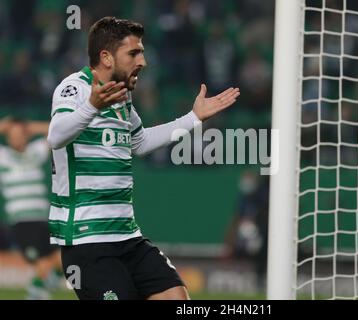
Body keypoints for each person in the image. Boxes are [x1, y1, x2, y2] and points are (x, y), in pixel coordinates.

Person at [46, 16, 240, 300]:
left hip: (128, 237)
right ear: (106, 57)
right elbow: (56, 136)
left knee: (177, 298)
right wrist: (91, 106)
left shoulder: (122, 98)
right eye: (134, 53)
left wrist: (193, 118)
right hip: (87, 242)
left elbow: (140, 141)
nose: (143, 61)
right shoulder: (74, 88)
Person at [0, 117, 63, 300]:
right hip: (23, 221)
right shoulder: (3, 156)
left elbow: (57, 131)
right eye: (13, 135)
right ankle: (37, 294)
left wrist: (30, 127)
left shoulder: (35, 151)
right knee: (43, 262)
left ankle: (38, 292)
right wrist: (4, 126)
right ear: (7, 138)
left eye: (21, 135)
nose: (18, 138)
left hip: (44, 218)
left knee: (63, 258)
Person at [223, 170, 269, 291]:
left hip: (262, 234)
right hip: (246, 237)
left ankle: (261, 279)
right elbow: (237, 217)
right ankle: (239, 278)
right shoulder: (243, 199)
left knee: (261, 253)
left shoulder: (262, 196)